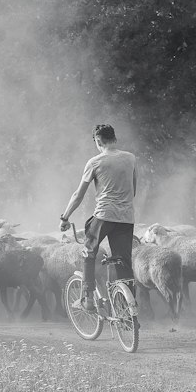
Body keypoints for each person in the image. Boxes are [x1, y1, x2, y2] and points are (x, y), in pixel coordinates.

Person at [60, 124, 137, 312]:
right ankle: (128, 309)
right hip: (126, 218)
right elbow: (133, 189)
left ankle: (87, 299)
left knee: (89, 252)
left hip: (104, 216)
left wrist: (65, 217)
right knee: (123, 262)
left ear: (98, 141)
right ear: (114, 139)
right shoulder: (131, 158)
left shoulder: (95, 162)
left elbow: (78, 195)